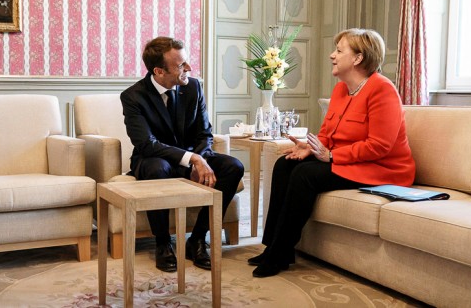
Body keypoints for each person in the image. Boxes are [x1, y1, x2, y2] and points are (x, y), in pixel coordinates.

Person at [249, 28, 416, 278]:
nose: (332, 55)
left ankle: (281, 251)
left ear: (358, 58)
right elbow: (327, 132)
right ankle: (273, 246)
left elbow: (380, 145)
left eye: (339, 50)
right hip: (350, 162)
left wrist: (333, 156)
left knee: (305, 174)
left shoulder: (383, 90)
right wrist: (310, 147)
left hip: (382, 169)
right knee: (285, 164)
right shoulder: (340, 90)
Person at [121, 37, 244, 272]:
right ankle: (163, 243)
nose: (188, 68)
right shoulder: (133, 97)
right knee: (159, 169)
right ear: (158, 71)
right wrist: (193, 161)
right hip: (153, 160)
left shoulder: (193, 86)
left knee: (234, 166)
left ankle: (197, 239)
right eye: (181, 65)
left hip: (191, 156)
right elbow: (147, 144)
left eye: (187, 62)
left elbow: (204, 134)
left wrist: (200, 159)